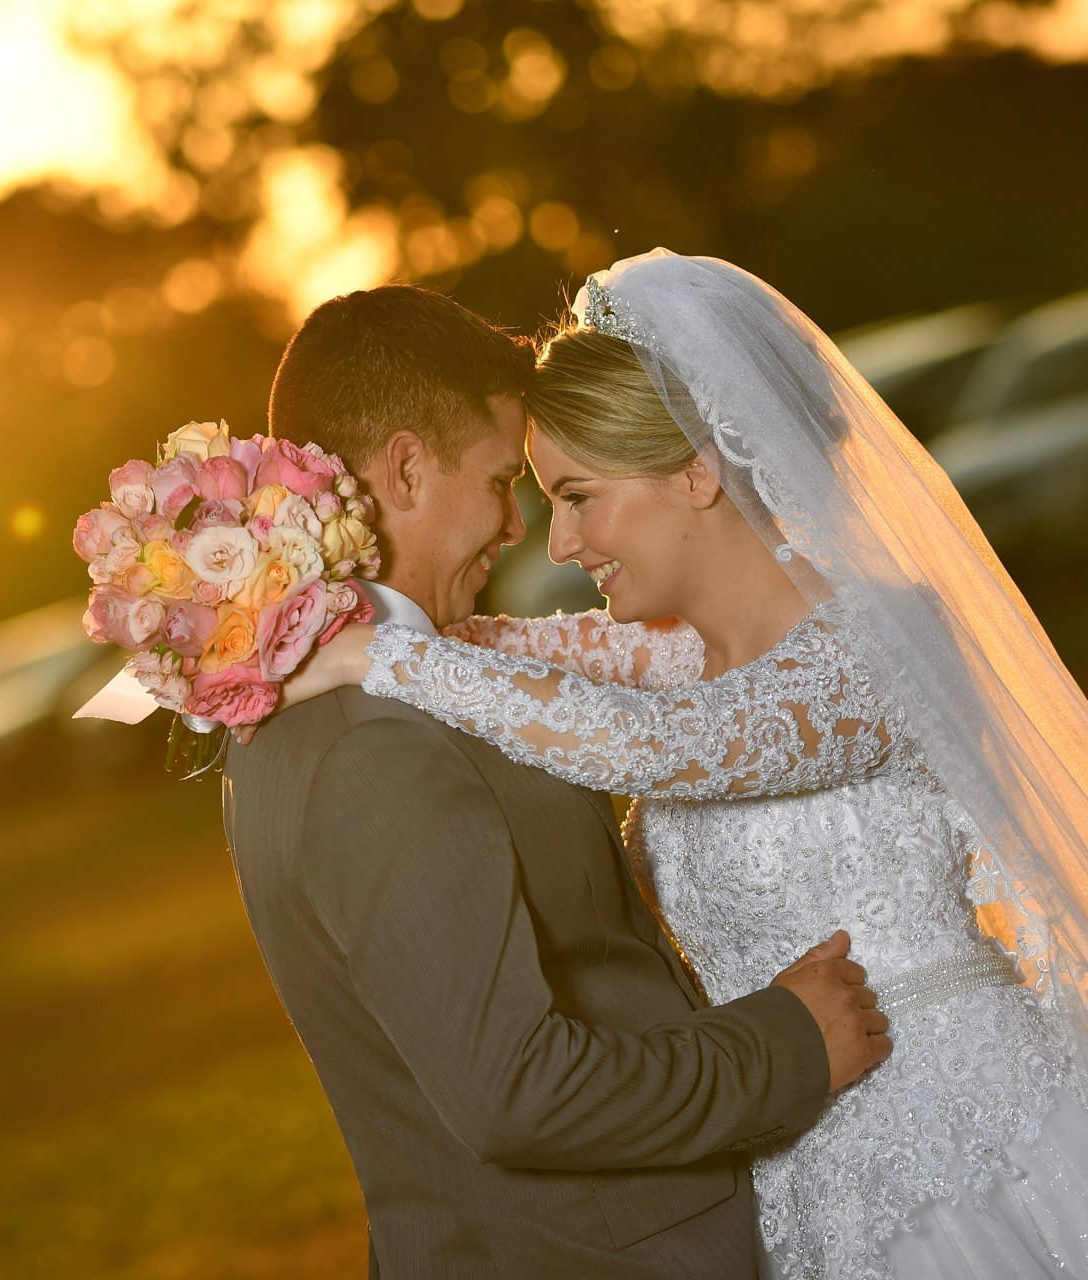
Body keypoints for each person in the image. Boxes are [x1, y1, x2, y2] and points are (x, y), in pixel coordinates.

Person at [286, 252, 1088, 1278]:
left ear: (697, 467)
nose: (558, 542)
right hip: (792, 1163)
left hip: (973, 1130)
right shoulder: (677, 654)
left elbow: (664, 747)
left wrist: (383, 653)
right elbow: (488, 650)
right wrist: (263, 610)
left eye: (579, 496)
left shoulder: (879, 643)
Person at [221, 282, 890, 1278]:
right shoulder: (377, 738)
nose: (519, 529)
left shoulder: (326, 689)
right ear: (405, 468)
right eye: (502, 480)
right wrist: (785, 1043)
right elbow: (517, 1088)